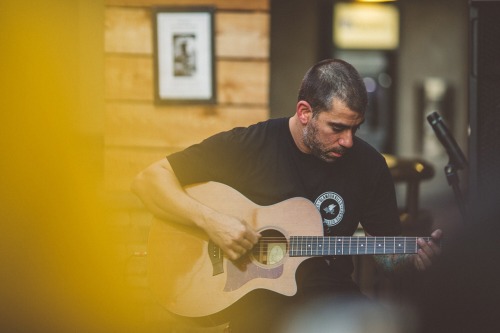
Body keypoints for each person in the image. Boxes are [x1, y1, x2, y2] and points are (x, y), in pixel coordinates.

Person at [131, 59, 442, 332]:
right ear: (305, 112)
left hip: (331, 305)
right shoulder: (251, 146)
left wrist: (410, 257)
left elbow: (385, 257)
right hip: (256, 306)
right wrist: (213, 222)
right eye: (337, 127)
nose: (348, 141)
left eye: (355, 129)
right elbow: (148, 181)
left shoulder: (369, 166)